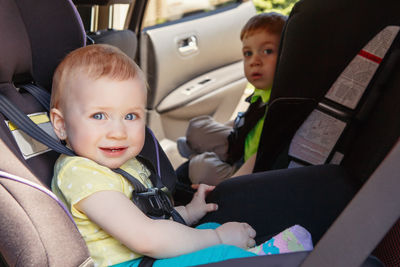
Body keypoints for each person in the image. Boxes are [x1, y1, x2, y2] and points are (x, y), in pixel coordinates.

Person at [50, 44, 312, 267]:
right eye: (99, 116)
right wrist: (219, 239)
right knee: (219, 249)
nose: (118, 132)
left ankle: (256, 255)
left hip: (145, 257)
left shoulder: (124, 164)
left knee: (208, 230)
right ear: (61, 125)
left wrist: (187, 212)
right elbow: (145, 236)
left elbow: (149, 218)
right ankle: (264, 258)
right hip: (129, 262)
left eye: (131, 116)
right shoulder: (81, 173)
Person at [176, 12, 287, 186]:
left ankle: (199, 155)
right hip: (239, 143)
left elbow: (258, 160)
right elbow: (245, 121)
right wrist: (218, 133)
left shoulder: (281, 104)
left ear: (287, 54)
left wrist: (227, 189)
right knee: (198, 126)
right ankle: (200, 150)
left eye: (267, 51)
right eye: (248, 53)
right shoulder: (261, 93)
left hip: (247, 169)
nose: (254, 61)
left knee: (200, 167)